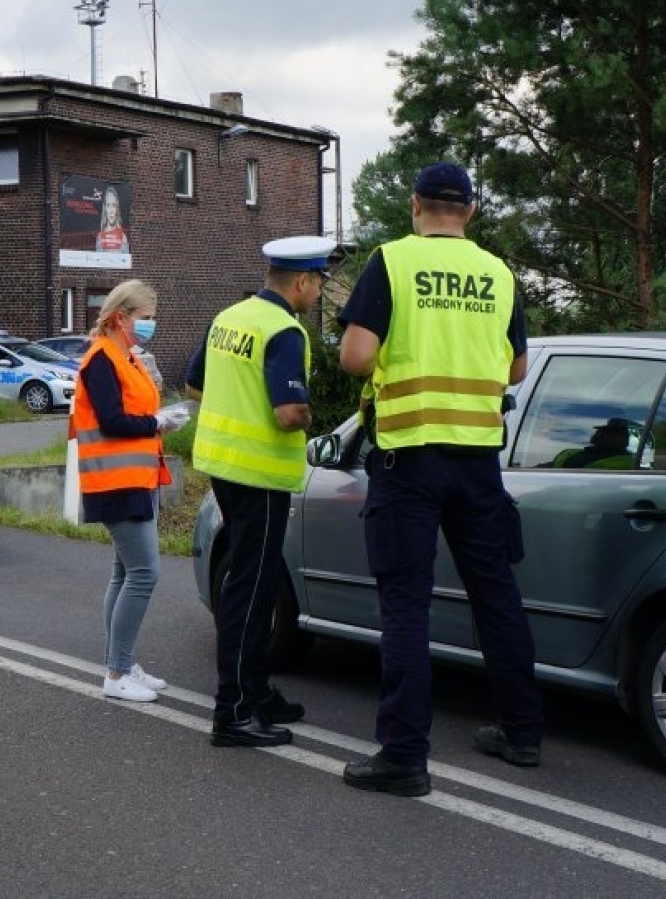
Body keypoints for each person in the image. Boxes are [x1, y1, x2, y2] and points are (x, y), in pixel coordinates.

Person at [337, 162, 542, 797]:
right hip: (478, 460)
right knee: (496, 594)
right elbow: (516, 369)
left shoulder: (392, 262)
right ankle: (522, 731)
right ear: (472, 212)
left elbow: (355, 356)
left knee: (405, 603)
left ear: (415, 204)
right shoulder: (498, 272)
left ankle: (404, 756)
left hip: (410, 458)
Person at [187, 234, 334, 748]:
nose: (317, 293)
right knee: (251, 594)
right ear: (300, 281)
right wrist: (313, 418)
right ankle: (234, 711)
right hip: (261, 475)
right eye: (317, 283)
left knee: (248, 585)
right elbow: (289, 413)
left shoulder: (230, 317)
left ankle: (256, 689)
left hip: (224, 468)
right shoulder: (284, 330)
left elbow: (194, 384)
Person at [71, 279, 188, 703]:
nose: (150, 325)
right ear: (121, 317)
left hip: (135, 478)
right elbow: (112, 421)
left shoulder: (126, 356)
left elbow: (133, 412)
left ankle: (121, 662)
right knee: (144, 573)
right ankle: (117, 673)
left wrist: (160, 417)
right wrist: (158, 423)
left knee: (124, 574)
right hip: (116, 480)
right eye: (145, 318)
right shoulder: (102, 359)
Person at [96, 188, 128, 253]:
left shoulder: (123, 237)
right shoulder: (100, 237)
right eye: (108, 205)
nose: (111, 210)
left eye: (114, 205)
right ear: (105, 209)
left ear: (117, 208)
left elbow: (126, 261)